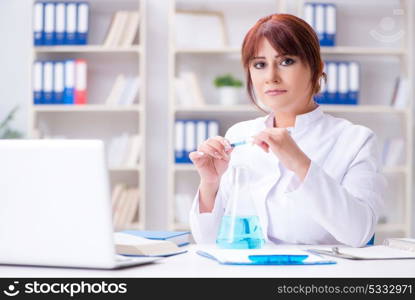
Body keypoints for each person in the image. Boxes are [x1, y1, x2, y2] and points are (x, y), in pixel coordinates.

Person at [188, 14, 386, 247]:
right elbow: (208, 241)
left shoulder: (355, 140)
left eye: (286, 61)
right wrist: (210, 183)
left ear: (316, 67)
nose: (271, 77)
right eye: (260, 64)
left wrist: (300, 163)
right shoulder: (238, 136)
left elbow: (359, 234)